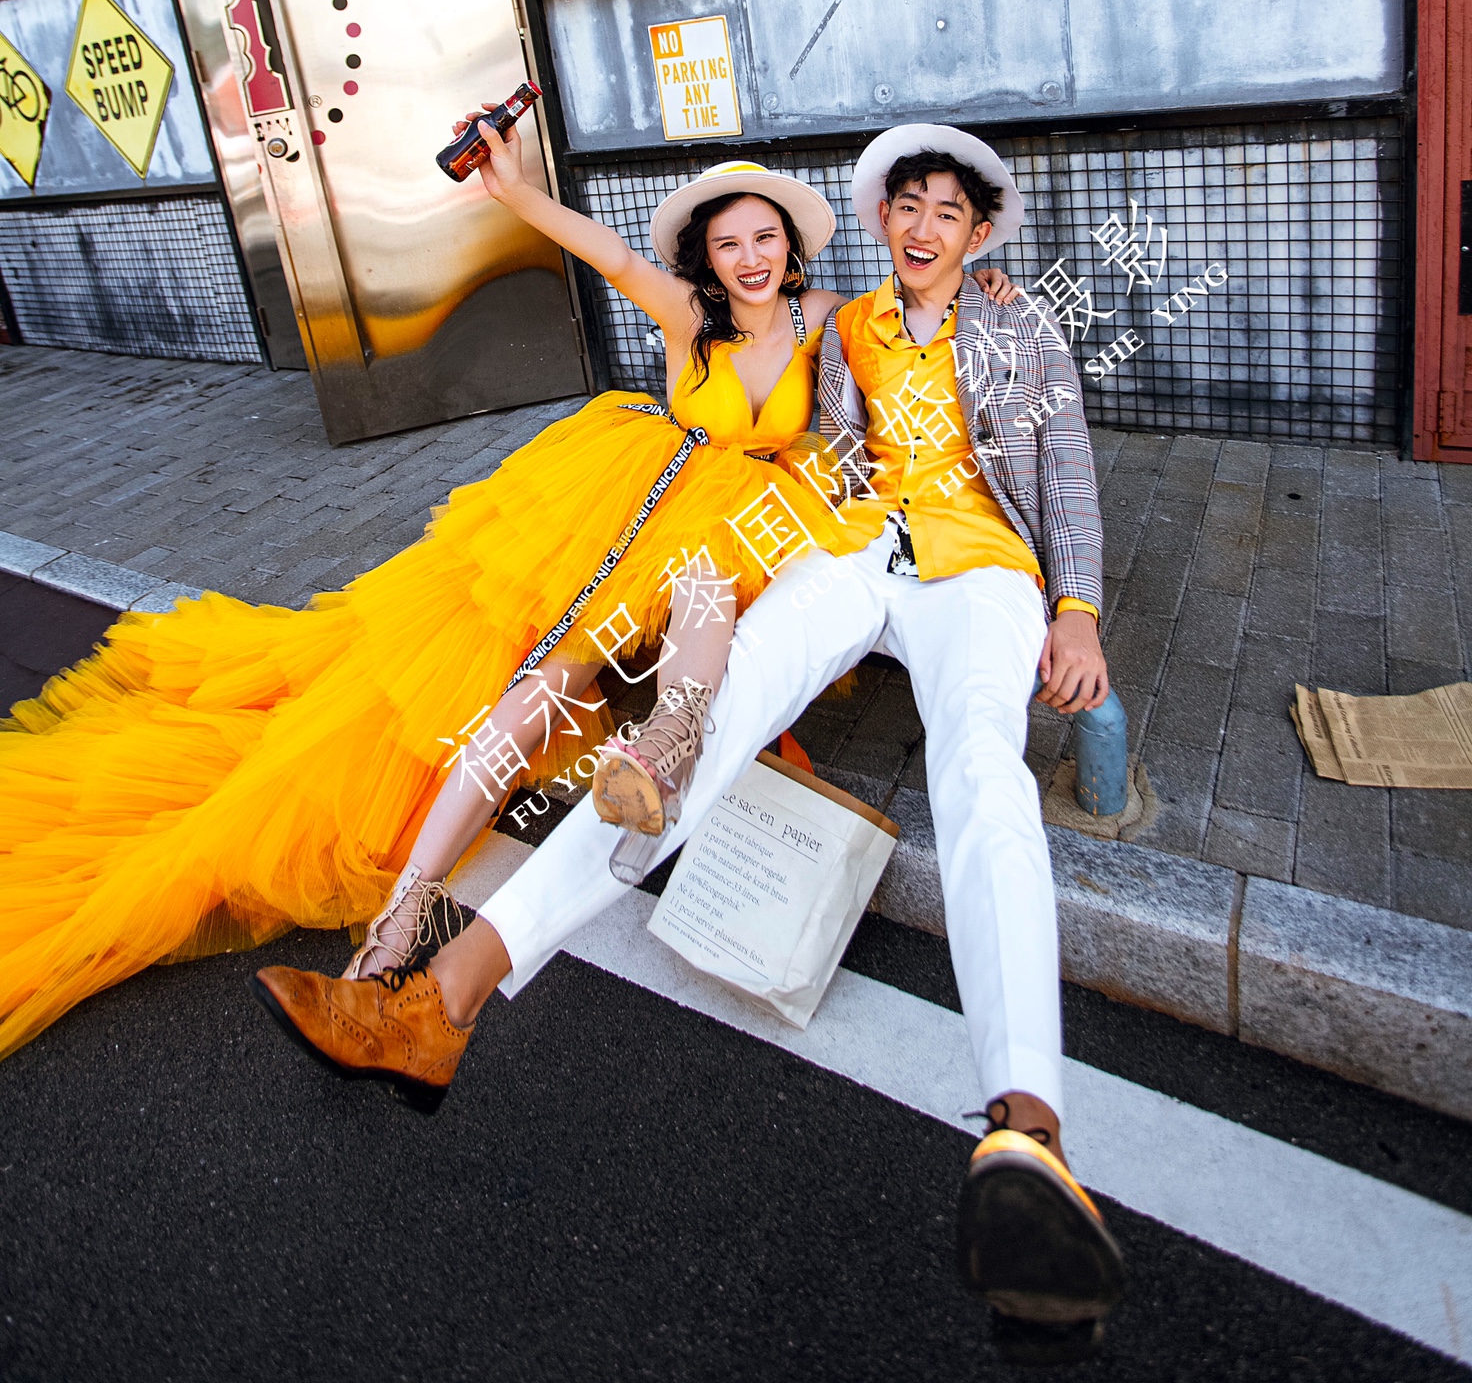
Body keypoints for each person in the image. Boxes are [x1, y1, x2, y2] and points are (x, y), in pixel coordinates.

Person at [252, 124, 1126, 1370]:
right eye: (907, 208)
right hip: (848, 551)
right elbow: (795, 422)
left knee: (982, 773)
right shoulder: (849, 325)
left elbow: (1069, 473)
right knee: (691, 738)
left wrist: (1075, 607)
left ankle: (1026, 1132)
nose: (924, 228)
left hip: (978, 573)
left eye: (949, 213)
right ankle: (436, 1005)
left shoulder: (1020, 325)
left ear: (980, 233)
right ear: (882, 222)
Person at [0, 132, 864, 1056]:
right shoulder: (689, 315)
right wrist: (514, 188)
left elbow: (896, 364)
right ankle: (395, 929)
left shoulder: (825, 317)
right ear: (706, 257)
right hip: (629, 515)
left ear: (790, 245)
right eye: (729, 243)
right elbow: (605, 251)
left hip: (740, 529)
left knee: (707, 575)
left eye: (764, 238)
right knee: (539, 692)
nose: (749, 259)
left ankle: (666, 744)